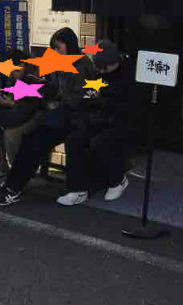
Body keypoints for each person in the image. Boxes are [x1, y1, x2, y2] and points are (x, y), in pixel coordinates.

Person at [0, 34, 131, 208]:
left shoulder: (84, 65)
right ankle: (13, 185)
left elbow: (83, 98)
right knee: (35, 137)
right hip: (68, 113)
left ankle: (78, 189)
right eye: (54, 48)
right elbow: (60, 91)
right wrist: (44, 86)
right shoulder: (63, 64)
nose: (56, 52)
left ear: (70, 45)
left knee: (73, 138)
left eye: (59, 47)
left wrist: (90, 99)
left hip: (85, 116)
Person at [58, 39, 135, 207]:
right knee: (74, 139)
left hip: (120, 121)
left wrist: (102, 102)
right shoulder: (99, 73)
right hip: (98, 117)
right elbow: (92, 91)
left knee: (99, 142)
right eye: (98, 67)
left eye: (103, 67)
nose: (100, 70)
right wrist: (90, 98)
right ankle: (77, 189)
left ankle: (117, 180)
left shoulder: (129, 75)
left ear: (113, 61)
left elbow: (131, 108)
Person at [0, 49, 44, 184]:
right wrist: (3, 99)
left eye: (13, 71)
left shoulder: (34, 77)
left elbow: (31, 105)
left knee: (11, 134)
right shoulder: (16, 76)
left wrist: (10, 103)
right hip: (18, 113)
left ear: (22, 65)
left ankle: (18, 175)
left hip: (37, 115)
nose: (10, 75)